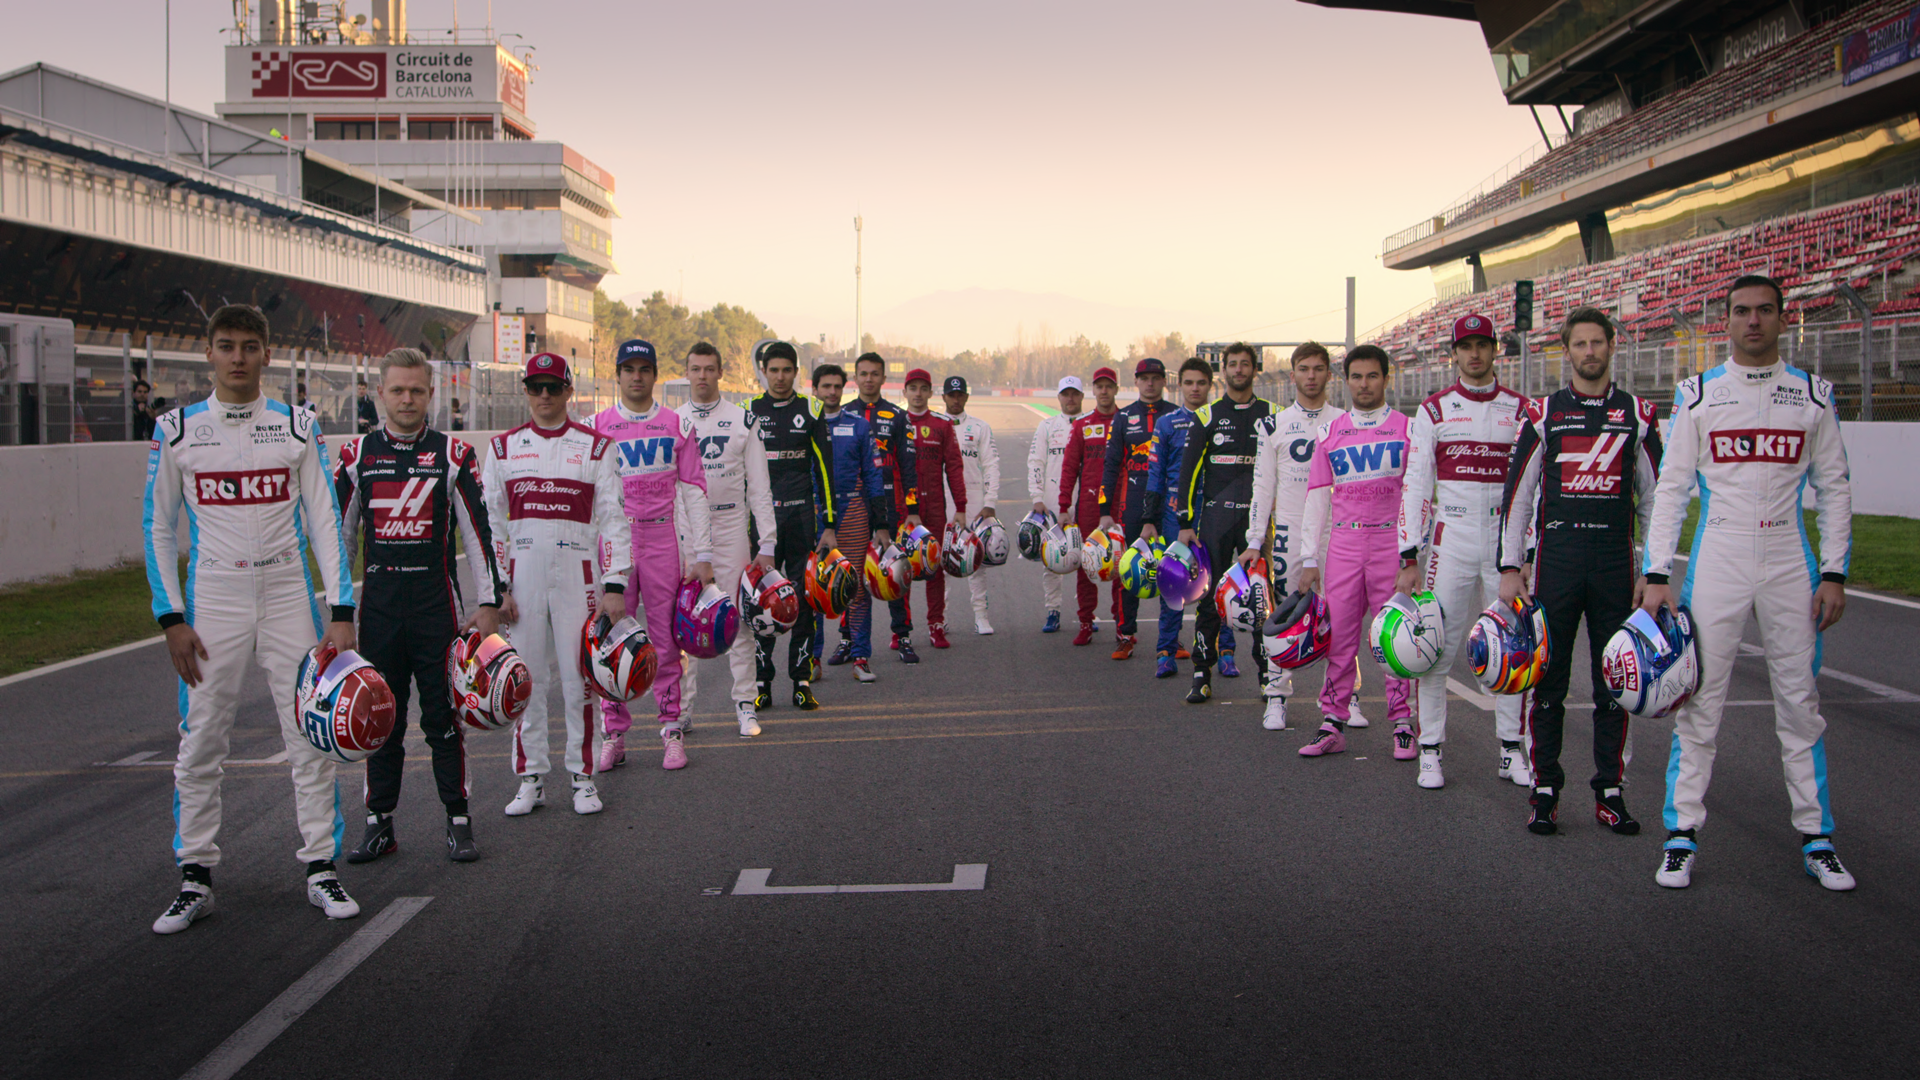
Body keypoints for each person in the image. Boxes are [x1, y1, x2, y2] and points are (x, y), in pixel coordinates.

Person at [143, 304, 360, 934]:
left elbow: (325, 521)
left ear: (267, 354)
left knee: (309, 735)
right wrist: (170, 617)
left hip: (288, 592)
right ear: (208, 352)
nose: (237, 357)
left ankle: (321, 866)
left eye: (248, 346)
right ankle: (195, 876)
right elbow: (157, 525)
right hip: (213, 597)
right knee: (201, 739)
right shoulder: (176, 430)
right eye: (226, 345)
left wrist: (340, 611)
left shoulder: (297, 424)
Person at [1641, 274, 1856, 891]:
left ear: (1784, 319)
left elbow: (1835, 488)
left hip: (1790, 557)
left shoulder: (1813, 395)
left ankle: (1817, 838)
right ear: (1727, 321)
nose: (1753, 321)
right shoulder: (1698, 394)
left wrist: (1834, 572)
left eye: (1765, 310)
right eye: (1742, 311)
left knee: (1800, 704)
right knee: (1699, 703)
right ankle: (1681, 836)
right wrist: (1657, 574)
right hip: (1721, 553)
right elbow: (1672, 489)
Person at [335, 348, 507, 864]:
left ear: (431, 394)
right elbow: (338, 539)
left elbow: (478, 534)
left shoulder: (454, 454)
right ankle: (378, 823)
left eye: (416, 390)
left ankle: (458, 819)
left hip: (437, 608)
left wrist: (489, 602)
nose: (406, 399)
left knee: (444, 719)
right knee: (378, 720)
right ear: (379, 394)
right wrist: (339, 612)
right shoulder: (355, 456)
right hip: (379, 610)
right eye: (397, 390)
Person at [1496, 307, 1662, 831]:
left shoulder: (1639, 414)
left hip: (1615, 563)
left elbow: (1656, 500)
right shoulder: (1542, 413)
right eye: (1580, 344)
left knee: (1618, 679)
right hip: (1557, 562)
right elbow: (1518, 497)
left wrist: (1653, 570)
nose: (1590, 352)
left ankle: (1610, 791)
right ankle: (1544, 789)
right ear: (1566, 351)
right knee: (1547, 680)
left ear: (1612, 345)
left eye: (1598, 342)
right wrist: (1510, 566)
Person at [482, 352, 631, 817]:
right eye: (535, 386)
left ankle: (583, 777)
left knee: (578, 680)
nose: (544, 395)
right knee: (524, 678)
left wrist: (614, 584)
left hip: (578, 572)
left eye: (552, 386)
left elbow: (614, 519)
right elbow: (490, 525)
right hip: (522, 575)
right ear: (525, 390)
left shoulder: (597, 447)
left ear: (569, 390)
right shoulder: (503, 448)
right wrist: (498, 587)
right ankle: (530, 777)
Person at [1395, 315, 1533, 790]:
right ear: (1453, 354)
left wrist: (1527, 551)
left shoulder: (1522, 409)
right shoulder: (1433, 410)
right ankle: (1430, 751)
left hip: (1504, 542)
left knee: (1515, 649)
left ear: (1495, 350)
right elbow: (1416, 485)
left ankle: (1511, 749)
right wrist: (1409, 556)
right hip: (1450, 539)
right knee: (1435, 648)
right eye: (1466, 346)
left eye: (1483, 344)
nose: (1475, 354)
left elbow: (1533, 488)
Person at [591, 339, 714, 773]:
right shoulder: (596, 426)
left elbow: (695, 491)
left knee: (665, 640)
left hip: (662, 538)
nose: (637, 377)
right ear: (618, 375)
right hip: (616, 543)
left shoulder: (677, 425)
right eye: (629, 369)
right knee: (610, 638)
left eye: (644, 369)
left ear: (655, 374)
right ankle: (614, 734)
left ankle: (671, 730)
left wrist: (703, 553)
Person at [1293, 345, 1414, 756]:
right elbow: (1316, 498)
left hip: (1390, 544)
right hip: (1344, 544)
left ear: (1386, 379)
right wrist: (1310, 558)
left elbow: (1418, 495)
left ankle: (1403, 723)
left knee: (1396, 639)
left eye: (1372, 376)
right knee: (1340, 638)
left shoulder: (1408, 429)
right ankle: (1332, 722)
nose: (1364, 384)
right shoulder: (1330, 433)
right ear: (1346, 381)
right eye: (1357, 377)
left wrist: (1413, 553)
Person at [1246, 343, 1359, 731]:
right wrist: (1254, 540)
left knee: (1342, 615)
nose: (1311, 376)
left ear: (1329, 374)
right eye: (1304, 369)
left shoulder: (1347, 421)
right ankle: (1276, 696)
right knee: (1284, 614)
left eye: (1319, 368)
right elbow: (1263, 487)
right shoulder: (1272, 425)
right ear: (1292, 374)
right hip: (1289, 531)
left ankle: (1346, 697)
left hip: (1338, 531)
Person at [679, 342, 779, 738]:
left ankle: (745, 706)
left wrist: (767, 544)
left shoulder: (743, 420)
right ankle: (682, 710)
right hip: (687, 531)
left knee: (740, 621)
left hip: (731, 527)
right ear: (687, 373)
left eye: (709, 368)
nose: (702, 376)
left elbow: (760, 488)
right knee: (683, 622)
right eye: (696, 369)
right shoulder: (673, 421)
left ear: (720, 372)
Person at [1173, 344, 1273, 706]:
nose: (1239, 369)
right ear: (1224, 370)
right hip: (1215, 519)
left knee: (1262, 599)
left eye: (1245, 364)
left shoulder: (1273, 414)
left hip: (1258, 523)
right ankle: (1201, 674)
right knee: (1208, 599)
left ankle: (1268, 675)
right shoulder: (1207, 416)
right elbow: (1187, 473)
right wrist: (1185, 521)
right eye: (1233, 364)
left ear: (1255, 370)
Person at [749, 342, 837, 708]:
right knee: (761, 604)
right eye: (774, 370)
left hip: (801, 519)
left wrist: (829, 524)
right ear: (764, 372)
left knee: (804, 602)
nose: (780, 377)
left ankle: (801, 681)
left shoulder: (811, 409)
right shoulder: (749, 411)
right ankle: (761, 685)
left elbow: (826, 472)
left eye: (787, 370)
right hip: (762, 525)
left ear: (796, 373)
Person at [809, 364, 893, 680]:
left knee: (856, 588)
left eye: (837, 386)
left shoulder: (858, 425)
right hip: (815, 512)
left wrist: (881, 523)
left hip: (854, 509)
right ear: (814, 389)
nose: (831, 392)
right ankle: (812, 660)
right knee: (814, 588)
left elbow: (873, 475)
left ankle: (860, 658)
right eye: (825, 386)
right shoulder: (805, 425)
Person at [1098, 358, 1177, 661]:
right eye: (1145, 378)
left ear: (1164, 381)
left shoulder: (1177, 415)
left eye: (1156, 377)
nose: (1150, 383)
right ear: (1136, 382)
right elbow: (1110, 465)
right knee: (1129, 570)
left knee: (1172, 570)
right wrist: (1105, 510)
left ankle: (1171, 639)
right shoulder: (1123, 417)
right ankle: (1125, 634)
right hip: (1132, 502)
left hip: (1170, 503)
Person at [849, 352, 923, 660]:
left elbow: (909, 467)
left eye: (874, 374)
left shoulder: (898, 416)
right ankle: (848, 639)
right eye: (863, 373)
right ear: (855, 377)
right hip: (853, 506)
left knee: (895, 569)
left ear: (883, 378)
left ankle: (902, 636)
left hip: (889, 505)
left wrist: (913, 510)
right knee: (851, 573)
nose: (869, 379)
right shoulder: (843, 413)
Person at [1143, 359, 1213, 676]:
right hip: (1175, 513)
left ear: (1210, 385)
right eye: (1189, 382)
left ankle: (1222, 651)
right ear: (1180, 385)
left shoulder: (1219, 419)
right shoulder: (1167, 423)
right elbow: (1155, 473)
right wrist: (1149, 518)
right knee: (1173, 580)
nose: (1195, 388)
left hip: (1212, 510)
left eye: (1201, 382)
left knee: (1215, 582)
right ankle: (1166, 651)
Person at [900, 368, 967, 650]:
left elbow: (954, 468)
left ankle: (936, 625)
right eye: (912, 388)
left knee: (935, 567)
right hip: (904, 510)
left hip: (935, 507)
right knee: (900, 567)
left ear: (930, 392)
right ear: (904, 391)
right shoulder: (894, 422)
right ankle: (901, 629)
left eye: (923, 388)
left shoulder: (942, 425)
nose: (918, 393)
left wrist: (961, 507)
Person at [1058, 367, 1121, 646]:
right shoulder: (1082, 425)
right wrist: (1063, 506)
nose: (1104, 391)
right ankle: (1085, 622)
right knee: (1086, 565)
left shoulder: (1126, 422)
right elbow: (1069, 468)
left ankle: (1122, 624)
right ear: (1093, 391)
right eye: (1100, 386)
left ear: (1116, 389)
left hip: (1120, 505)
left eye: (1109, 386)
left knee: (1122, 565)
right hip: (1088, 505)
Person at [943, 375, 1001, 635]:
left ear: (966, 397)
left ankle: (981, 616)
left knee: (977, 560)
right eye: (951, 395)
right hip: (943, 498)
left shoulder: (980, 427)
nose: (956, 400)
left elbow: (991, 465)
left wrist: (990, 502)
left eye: (960, 395)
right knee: (942, 560)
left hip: (975, 499)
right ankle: (940, 619)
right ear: (943, 397)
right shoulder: (935, 425)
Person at [1027, 376, 1084, 634]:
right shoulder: (1047, 426)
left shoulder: (1089, 423)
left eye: (1074, 393)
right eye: (1066, 394)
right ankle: (1053, 610)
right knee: (1051, 558)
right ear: (1059, 397)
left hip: (1084, 499)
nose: (1070, 398)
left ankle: (1086, 612)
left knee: (1088, 558)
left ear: (1082, 396)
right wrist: (1036, 497)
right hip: (1052, 501)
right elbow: (1035, 462)